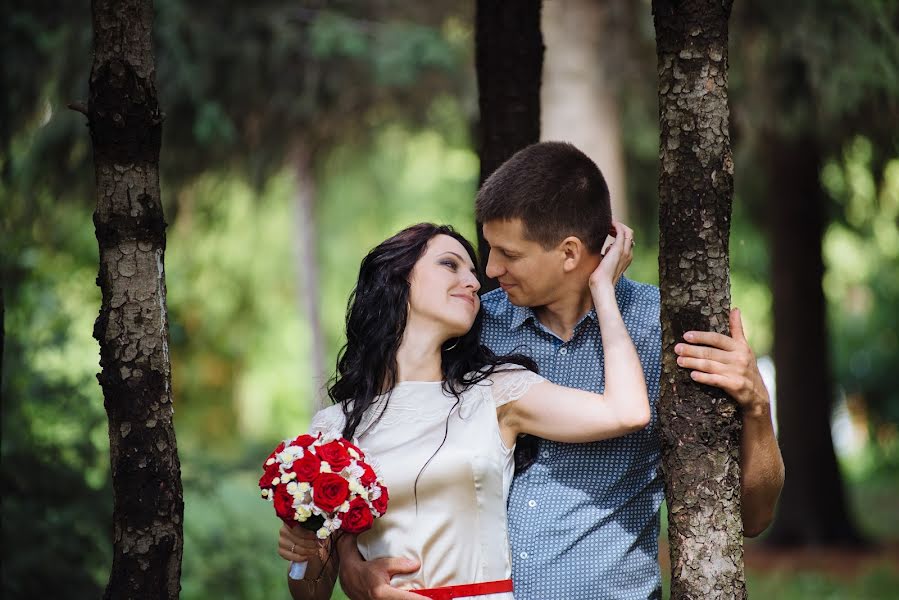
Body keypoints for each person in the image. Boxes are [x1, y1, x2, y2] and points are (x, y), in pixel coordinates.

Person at [332, 142, 785, 600]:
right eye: (489, 249)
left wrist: (757, 407)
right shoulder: (470, 330)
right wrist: (351, 564)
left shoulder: (664, 335)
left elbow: (753, 517)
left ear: (569, 253)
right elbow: (382, 437)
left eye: (509, 254)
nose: (490, 270)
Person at [279, 221, 650, 599]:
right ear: (397, 279)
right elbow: (311, 592)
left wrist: (603, 289)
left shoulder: (497, 391)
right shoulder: (334, 428)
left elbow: (627, 411)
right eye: (450, 265)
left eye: (473, 274)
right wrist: (304, 550)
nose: (474, 282)